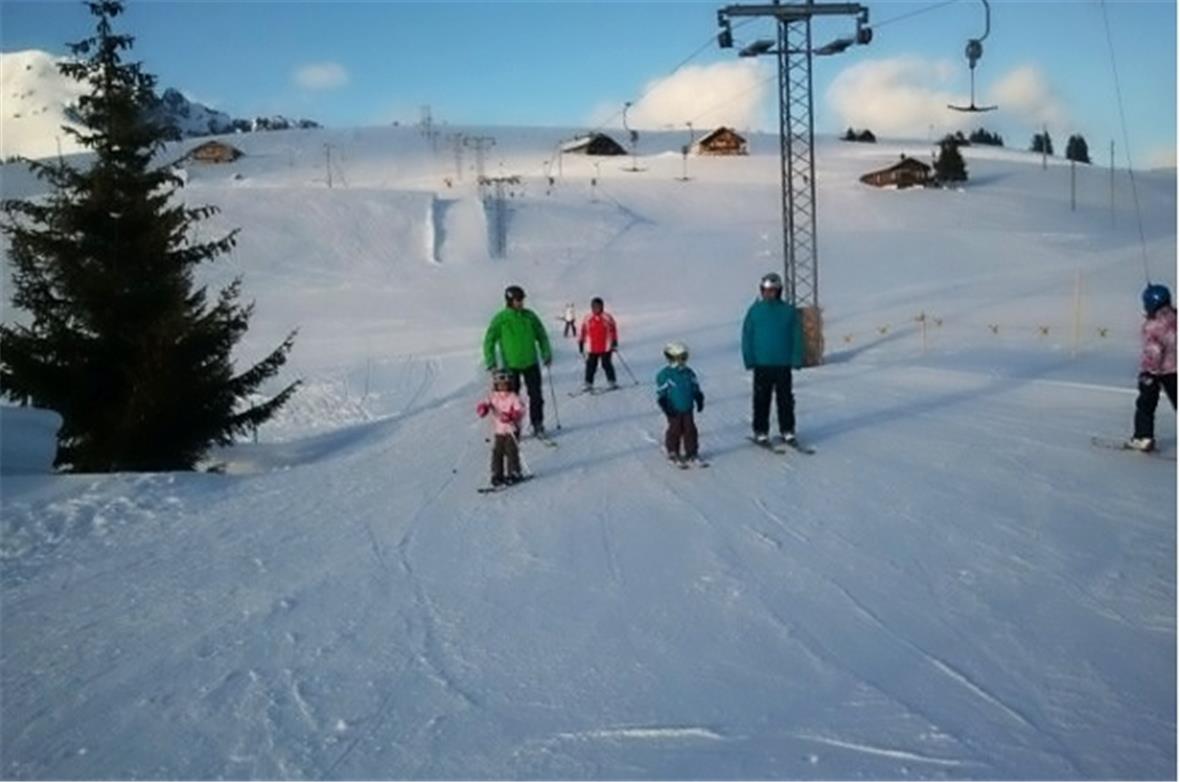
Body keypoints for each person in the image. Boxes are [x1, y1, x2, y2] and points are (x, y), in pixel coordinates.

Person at [741, 271, 805, 446]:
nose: (769, 294)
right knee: (761, 398)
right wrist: (749, 358)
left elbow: (797, 335)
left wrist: (797, 357)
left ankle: (787, 429)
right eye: (766, 290)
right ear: (761, 291)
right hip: (762, 363)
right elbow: (747, 335)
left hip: (782, 363)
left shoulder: (788, 311)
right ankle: (761, 430)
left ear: (779, 291)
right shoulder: (755, 311)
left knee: (785, 399)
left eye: (773, 290)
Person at [483, 285, 553, 437]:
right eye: (518, 300)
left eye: (522, 299)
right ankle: (514, 429)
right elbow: (489, 340)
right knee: (511, 400)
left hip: (531, 363)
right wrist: (491, 361)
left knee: (536, 395)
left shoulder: (530, 316)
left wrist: (546, 353)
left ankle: (537, 424)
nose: (521, 302)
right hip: (510, 366)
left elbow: (541, 335)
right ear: (509, 301)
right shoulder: (501, 319)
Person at [1129, 283, 1177, 451]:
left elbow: (1154, 351)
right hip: (1175, 370)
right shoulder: (1175, 319)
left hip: (1157, 371)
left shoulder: (1153, 325)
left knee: (1146, 404)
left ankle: (1143, 437)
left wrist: (1149, 372)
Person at [656, 342, 704, 465]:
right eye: (681, 358)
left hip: (688, 407)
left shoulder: (689, 372)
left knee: (690, 429)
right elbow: (661, 392)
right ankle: (673, 450)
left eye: (685, 357)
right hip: (674, 408)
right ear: (672, 358)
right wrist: (665, 404)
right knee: (675, 429)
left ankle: (692, 452)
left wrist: (698, 397)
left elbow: (694, 386)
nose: (684, 361)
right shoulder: (665, 375)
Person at [476, 370, 526, 487]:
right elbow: (486, 404)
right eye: (500, 385)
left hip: (512, 430)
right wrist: (483, 408)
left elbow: (520, 410)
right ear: (496, 385)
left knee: (511, 451)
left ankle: (514, 472)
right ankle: (497, 474)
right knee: (497, 452)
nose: (503, 387)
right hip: (499, 431)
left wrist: (512, 416)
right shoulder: (493, 397)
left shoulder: (513, 397)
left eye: (505, 384)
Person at [578, 297, 619, 391]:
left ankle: (612, 381)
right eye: (594, 306)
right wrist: (581, 342)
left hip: (606, 347)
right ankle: (588, 383)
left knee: (606, 364)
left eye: (598, 306)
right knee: (591, 366)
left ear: (602, 306)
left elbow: (613, 330)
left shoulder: (607, 317)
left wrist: (614, 341)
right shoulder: (587, 318)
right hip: (592, 348)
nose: (596, 308)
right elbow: (583, 331)